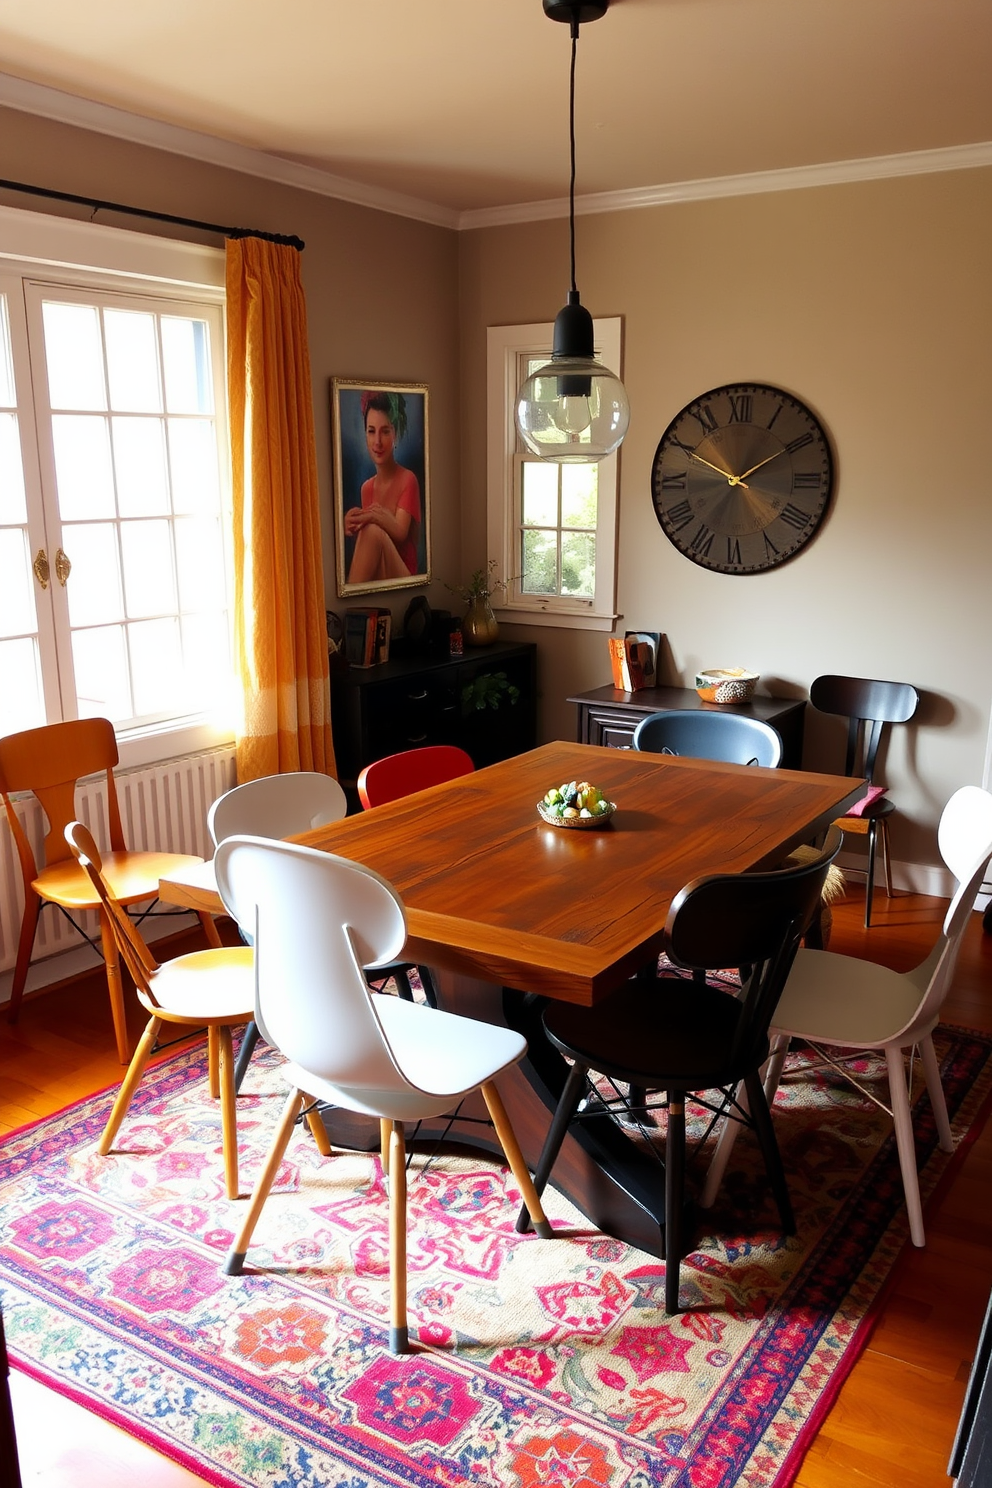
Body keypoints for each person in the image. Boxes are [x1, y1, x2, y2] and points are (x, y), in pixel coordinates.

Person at [344, 391, 421, 583]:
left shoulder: (408, 479)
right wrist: (352, 526)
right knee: (369, 531)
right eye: (371, 431)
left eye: (385, 431)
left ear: (394, 434)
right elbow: (370, 545)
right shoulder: (367, 488)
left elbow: (400, 534)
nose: (377, 441)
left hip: (403, 574)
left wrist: (372, 516)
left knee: (371, 530)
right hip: (380, 574)